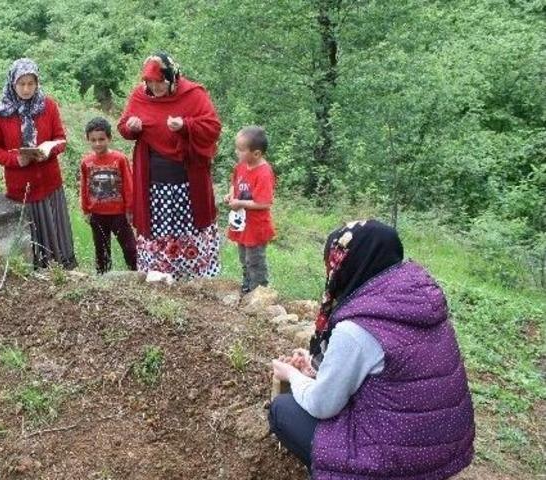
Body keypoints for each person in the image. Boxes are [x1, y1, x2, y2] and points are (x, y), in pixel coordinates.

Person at [267, 220, 475, 479]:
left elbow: (323, 405)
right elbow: (390, 372)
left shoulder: (357, 328)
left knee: (282, 410)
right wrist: (316, 366)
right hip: (444, 452)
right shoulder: (420, 301)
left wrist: (292, 375)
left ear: (345, 265)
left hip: (394, 464)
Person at [117, 52, 222, 281]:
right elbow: (123, 127)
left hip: (187, 179)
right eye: (150, 82)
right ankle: (159, 275)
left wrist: (186, 125)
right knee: (158, 227)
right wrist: (131, 127)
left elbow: (213, 127)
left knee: (190, 226)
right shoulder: (140, 96)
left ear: (172, 76)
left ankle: (195, 276)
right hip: (153, 181)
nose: (155, 87)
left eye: (160, 81)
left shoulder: (194, 94)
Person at [0, 58, 76, 269]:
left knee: (56, 230)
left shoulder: (48, 106)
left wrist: (48, 151)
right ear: (12, 83)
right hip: (22, 188)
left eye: (31, 83)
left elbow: (61, 138)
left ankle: (62, 270)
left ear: (37, 83)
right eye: (21, 84)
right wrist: (15, 159)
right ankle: (38, 274)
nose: (26, 89)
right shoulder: (0, 114)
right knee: (32, 235)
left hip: (50, 184)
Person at [79, 117, 137, 274]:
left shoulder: (119, 159)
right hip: (97, 215)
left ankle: (137, 274)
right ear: (88, 140)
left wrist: (130, 210)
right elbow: (84, 186)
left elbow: (128, 185)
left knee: (130, 248)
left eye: (101, 139)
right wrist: (86, 210)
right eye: (93, 140)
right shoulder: (86, 162)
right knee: (101, 251)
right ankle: (103, 280)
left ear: (109, 138)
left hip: (118, 214)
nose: (98, 143)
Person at [225, 125, 275, 293]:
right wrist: (231, 195)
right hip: (242, 224)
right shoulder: (241, 166)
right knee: (244, 258)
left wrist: (240, 203)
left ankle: (259, 292)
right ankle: (247, 287)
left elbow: (264, 203)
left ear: (256, 153)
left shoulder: (264, 173)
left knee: (255, 260)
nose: (236, 152)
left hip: (256, 227)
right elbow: (235, 184)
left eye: (241, 149)